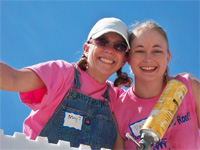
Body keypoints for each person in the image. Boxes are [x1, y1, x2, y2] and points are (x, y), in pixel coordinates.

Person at [0, 17, 133, 150]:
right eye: (102, 41)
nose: (109, 50)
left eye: (119, 46)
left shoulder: (116, 97)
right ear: (86, 49)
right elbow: (13, 78)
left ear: (123, 60)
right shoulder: (62, 73)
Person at [114, 20, 200, 149]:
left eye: (157, 51)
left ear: (168, 58)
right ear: (128, 59)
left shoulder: (188, 87)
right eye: (140, 51)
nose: (148, 59)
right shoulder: (119, 109)